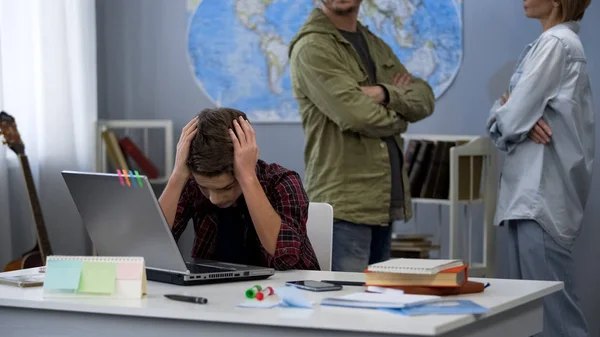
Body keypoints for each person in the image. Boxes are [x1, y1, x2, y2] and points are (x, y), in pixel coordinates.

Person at [288, 0, 435, 272]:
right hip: (344, 207)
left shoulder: (373, 43)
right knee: (344, 309)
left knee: (377, 308)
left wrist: (383, 93)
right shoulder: (312, 47)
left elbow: (425, 96)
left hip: (382, 202)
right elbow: (358, 116)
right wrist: (401, 117)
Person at [486, 0, 593, 336]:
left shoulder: (556, 45)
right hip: (529, 198)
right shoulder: (551, 44)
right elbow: (510, 113)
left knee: (553, 318)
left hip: (539, 199)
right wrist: (514, 112)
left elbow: (511, 117)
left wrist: (515, 112)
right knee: (532, 316)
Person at [158, 107, 320, 271]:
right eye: (204, 188)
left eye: (226, 187)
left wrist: (247, 178)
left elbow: (285, 260)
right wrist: (177, 176)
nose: (215, 199)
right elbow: (150, 248)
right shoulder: (190, 182)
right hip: (215, 292)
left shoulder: (282, 182)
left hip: (283, 291)